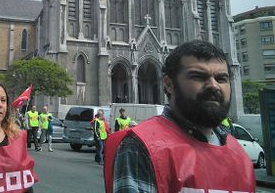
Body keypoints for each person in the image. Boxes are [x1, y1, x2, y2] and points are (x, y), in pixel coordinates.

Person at [103, 40, 255, 192]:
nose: (213, 85)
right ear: (168, 84)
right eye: (198, 76)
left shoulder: (240, 155)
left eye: (221, 78)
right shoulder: (141, 146)